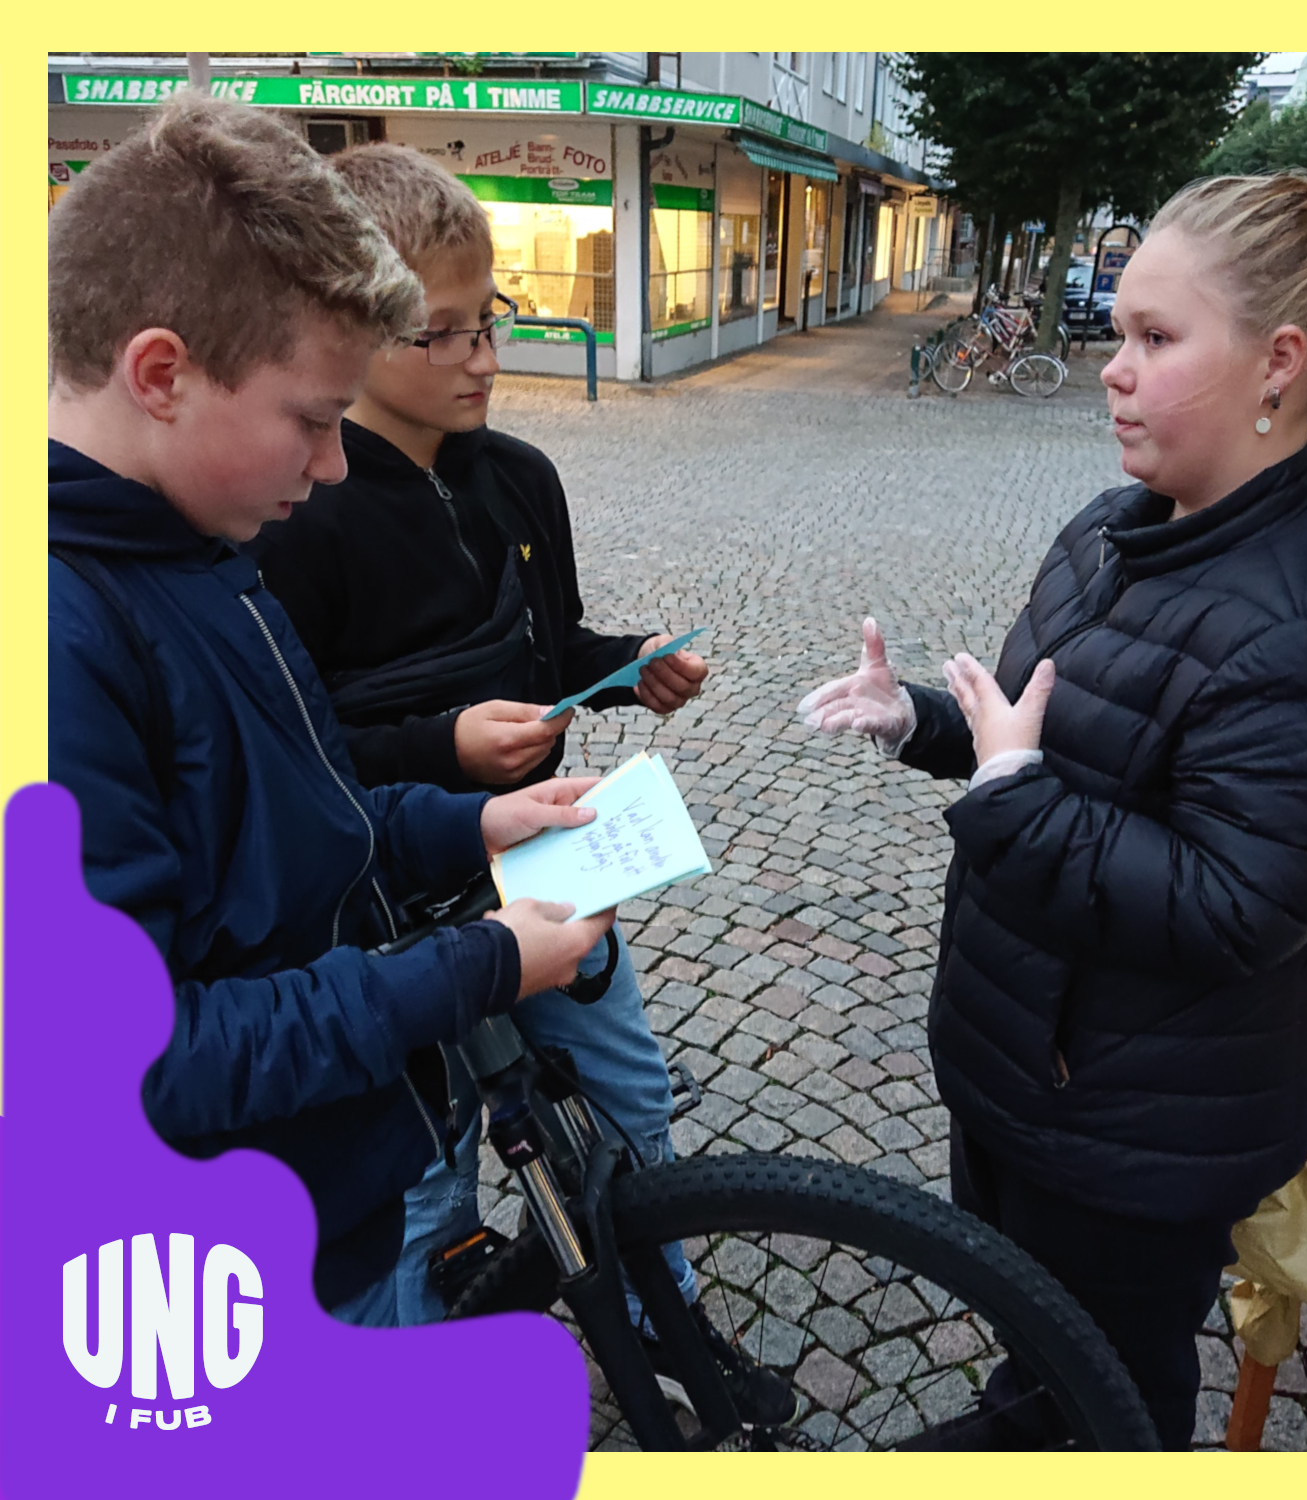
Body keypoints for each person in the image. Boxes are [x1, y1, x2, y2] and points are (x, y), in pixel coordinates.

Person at [798, 171, 1307, 1448]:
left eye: (1156, 337)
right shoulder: (1117, 526)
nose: (1112, 367)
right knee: (1040, 1347)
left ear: (1278, 364)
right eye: (1121, 331)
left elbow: (1234, 907)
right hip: (1026, 1075)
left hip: (1137, 1132)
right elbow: (1055, 740)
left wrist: (1013, 792)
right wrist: (922, 720)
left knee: (1105, 1400)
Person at [47, 92, 613, 1323]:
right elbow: (137, 1064)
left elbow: (306, 815)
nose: (335, 464)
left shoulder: (195, 543)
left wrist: (470, 826)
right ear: (160, 375)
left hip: (322, 1200)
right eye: (312, 419)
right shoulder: (60, 644)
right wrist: (471, 966)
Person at [251, 145, 791, 1419]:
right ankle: (421, 1381)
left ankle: (664, 1314)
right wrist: (441, 749)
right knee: (427, 1167)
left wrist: (625, 668)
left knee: (630, 1091)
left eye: (489, 321)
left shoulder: (519, 478)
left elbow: (550, 649)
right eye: (440, 334)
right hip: (389, 905)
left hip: (545, 860)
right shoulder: (294, 513)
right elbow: (293, 756)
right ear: (353, 330)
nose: (483, 359)